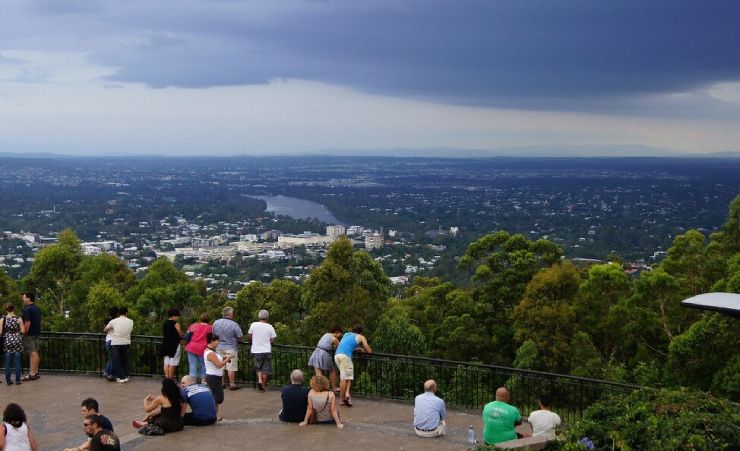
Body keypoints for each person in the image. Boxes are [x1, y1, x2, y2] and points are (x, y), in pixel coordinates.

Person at [334, 324, 372, 407]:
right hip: (345, 356)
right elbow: (366, 347)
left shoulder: (346, 334)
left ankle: (347, 395)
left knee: (346, 376)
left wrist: (356, 349)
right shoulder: (361, 337)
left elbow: (344, 345)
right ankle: (342, 399)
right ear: (361, 332)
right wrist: (370, 351)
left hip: (337, 355)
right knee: (345, 378)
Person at [203, 333, 235, 420]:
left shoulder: (212, 351)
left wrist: (225, 357)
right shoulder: (210, 353)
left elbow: (217, 360)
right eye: (217, 340)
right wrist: (228, 358)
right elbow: (219, 365)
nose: (218, 342)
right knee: (217, 398)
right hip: (213, 377)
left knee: (215, 397)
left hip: (215, 377)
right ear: (212, 341)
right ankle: (213, 415)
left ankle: (214, 415)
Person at [212, 306, 243, 390]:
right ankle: (232, 384)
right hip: (231, 348)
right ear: (231, 314)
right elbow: (240, 337)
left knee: (221, 366)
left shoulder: (216, 323)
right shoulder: (234, 324)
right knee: (231, 367)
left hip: (219, 347)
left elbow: (213, 334)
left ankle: (222, 383)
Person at [248, 309, 276, 391]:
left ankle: (259, 380)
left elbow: (249, 336)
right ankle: (263, 385)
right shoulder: (270, 327)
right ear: (267, 318)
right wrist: (268, 342)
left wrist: (252, 342)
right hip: (267, 350)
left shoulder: (254, 325)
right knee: (266, 369)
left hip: (256, 350)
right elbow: (273, 339)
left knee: (258, 367)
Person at [307, 326, 342, 392]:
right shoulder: (334, 338)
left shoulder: (325, 334)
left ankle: (320, 388)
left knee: (318, 370)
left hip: (316, 351)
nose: (340, 336)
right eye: (340, 334)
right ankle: (334, 387)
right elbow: (340, 347)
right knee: (332, 370)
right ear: (337, 332)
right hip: (324, 353)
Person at [104, 307, 134, 383]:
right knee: (125, 360)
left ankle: (120, 377)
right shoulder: (131, 321)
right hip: (126, 342)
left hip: (116, 342)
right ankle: (126, 376)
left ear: (118, 313)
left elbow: (105, 330)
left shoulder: (113, 321)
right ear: (126, 313)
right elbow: (131, 330)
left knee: (117, 360)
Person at [2, 303, 25, 385]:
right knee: (17, 361)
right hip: (17, 340)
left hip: (7, 340)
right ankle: (18, 380)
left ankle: (8, 380)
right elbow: (23, 331)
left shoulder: (3, 319)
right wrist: (20, 324)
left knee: (7, 362)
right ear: (13, 309)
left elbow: (0, 332)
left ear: (6, 310)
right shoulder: (18, 318)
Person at [184, 313, 212, 384]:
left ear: (200, 318)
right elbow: (210, 338)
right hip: (203, 348)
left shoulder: (194, 325)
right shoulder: (210, 328)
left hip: (191, 347)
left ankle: (192, 382)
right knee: (204, 365)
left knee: (193, 365)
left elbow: (187, 334)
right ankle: (203, 381)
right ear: (209, 319)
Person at [21, 292, 41, 381]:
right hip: (36, 333)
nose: (23, 298)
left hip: (29, 335)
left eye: (24, 297)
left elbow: (27, 323)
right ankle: (35, 372)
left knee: (32, 354)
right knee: (35, 352)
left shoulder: (27, 309)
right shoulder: (37, 308)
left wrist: (24, 332)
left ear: (29, 299)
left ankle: (31, 374)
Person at [162, 308, 184, 380]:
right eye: (178, 316)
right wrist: (179, 329)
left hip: (165, 345)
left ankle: (167, 378)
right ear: (174, 316)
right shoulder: (176, 324)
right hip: (174, 345)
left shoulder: (165, 323)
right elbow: (181, 335)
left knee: (166, 362)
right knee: (172, 363)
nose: (178, 317)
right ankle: (170, 379)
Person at [102, 307, 118, 381]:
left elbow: (104, 330)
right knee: (114, 359)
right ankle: (111, 375)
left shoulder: (107, 320)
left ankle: (106, 372)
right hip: (114, 341)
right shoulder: (117, 321)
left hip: (108, 340)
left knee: (111, 358)